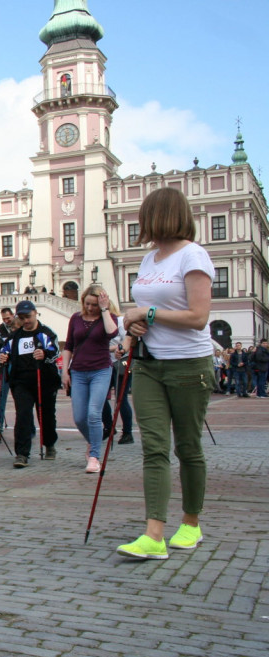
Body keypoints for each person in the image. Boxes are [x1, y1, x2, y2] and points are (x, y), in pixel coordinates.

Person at [115, 187, 214, 560]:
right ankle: (154, 534)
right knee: (154, 448)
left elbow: (198, 317)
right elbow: (143, 310)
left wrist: (148, 315)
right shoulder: (149, 260)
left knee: (187, 446)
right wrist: (134, 326)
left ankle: (190, 523)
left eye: (145, 218)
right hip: (149, 363)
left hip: (189, 364)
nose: (141, 225)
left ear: (161, 217)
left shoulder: (193, 255)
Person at [60, 284, 118, 474]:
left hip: (101, 370)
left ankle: (94, 456)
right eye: (88, 304)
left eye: (94, 304)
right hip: (78, 371)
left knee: (94, 413)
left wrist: (104, 310)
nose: (90, 308)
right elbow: (68, 345)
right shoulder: (76, 318)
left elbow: (112, 333)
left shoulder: (107, 317)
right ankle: (94, 441)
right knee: (79, 417)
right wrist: (65, 371)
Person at [0, 300, 59, 467]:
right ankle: (22, 454)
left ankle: (49, 444)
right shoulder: (15, 337)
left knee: (45, 415)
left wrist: (45, 354)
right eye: (22, 317)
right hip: (21, 382)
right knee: (23, 415)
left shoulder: (45, 333)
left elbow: (55, 351)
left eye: (29, 317)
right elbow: (3, 352)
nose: (26, 321)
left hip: (44, 381)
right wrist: (2, 357)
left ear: (35, 313)